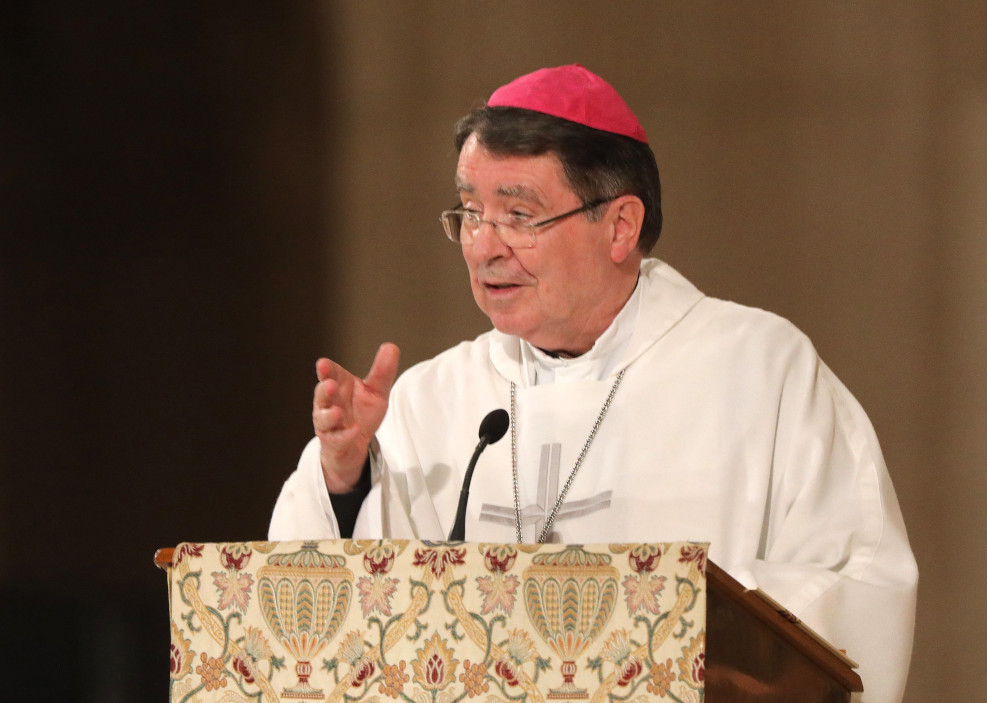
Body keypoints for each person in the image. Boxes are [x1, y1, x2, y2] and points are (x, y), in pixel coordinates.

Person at [269, 65, 917, 702]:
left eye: (518, 214)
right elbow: (302, 616)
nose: (483, 246)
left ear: (620, 226)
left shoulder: (761, 371)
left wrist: (656, 613)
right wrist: (348, 480)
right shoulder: (427, 400)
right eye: (470, 213)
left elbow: (854, 588)